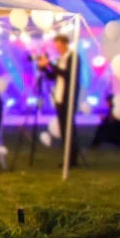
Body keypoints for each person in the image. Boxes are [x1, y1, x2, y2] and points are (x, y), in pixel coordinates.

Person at [37, 35, 81, 167]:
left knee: (68, 128)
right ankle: (67, 157)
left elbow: (69, 75)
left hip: (69, 97)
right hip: (59, 97)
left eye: (59, 46)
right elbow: (55, 76)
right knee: (63, 128)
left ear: (65, 44)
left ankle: (72, 159)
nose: (58, 48)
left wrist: (50, 64)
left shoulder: (73, 57)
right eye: (56, 46)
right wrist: (44, 68)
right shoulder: (61, 58)